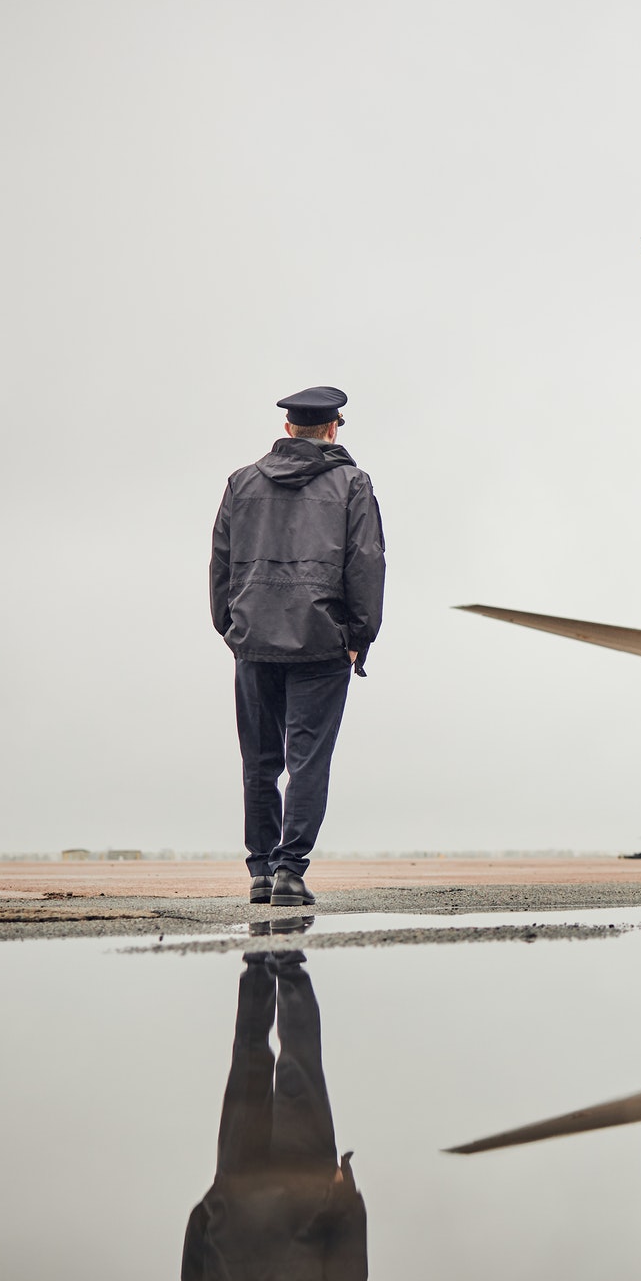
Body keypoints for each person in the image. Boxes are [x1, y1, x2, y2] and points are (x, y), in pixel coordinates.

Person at [210, 386, 385, 906]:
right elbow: (366, 563)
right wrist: (359, 637)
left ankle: (261, 871)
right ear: (333, 429)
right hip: (321, 642)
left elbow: (221, 561)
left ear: (288, 430)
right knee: (308, 760)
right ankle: (290, 871)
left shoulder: (241, 483)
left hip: (254, 640)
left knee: (259, 761)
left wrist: (231, 627)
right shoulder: (353, 484)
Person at [182, 930, 368, 1281]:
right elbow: (193, 1272)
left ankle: (286, 958)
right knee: (248, 1054)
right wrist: (218, 1200)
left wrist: (346, 1198)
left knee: (300, 1058)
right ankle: (257, 961)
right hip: (236, 1199)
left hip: (307, 1192)